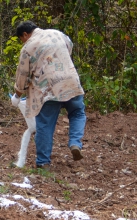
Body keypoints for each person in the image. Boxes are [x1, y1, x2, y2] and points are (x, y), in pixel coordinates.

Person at [9, 21, 86, 169]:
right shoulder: (58, 34)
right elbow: (69, 47)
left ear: (25, 34)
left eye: (21, 39)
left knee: (45, 124)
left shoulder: (28, 48)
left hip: (48, 89)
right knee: (77, 113)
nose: (22, 42)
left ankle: (43, 162)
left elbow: (23, 75)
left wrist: (17, 95)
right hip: (71, 82)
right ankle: (75, 143)